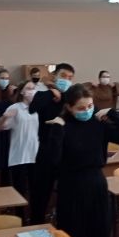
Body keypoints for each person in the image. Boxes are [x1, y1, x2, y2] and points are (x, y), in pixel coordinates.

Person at [48, 84, 119, 237]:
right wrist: (57, 130)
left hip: (97, 185)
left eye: (90, 106)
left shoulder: (98, 122)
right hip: (71, 189)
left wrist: (113, 114)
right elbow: (53, 161)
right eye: (81, 108)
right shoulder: (62, 125)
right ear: (69, 107)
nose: (87, 111)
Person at [28, 62, 75, 224]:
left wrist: (60, 92)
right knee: (40, 193)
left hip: (66, 152)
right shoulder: (43, 95)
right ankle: (35, 224)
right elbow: (32, 108)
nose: (66, 80)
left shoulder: (71, 97)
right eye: (63, 76)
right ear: (55, 76)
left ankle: (63, 227)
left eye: (70, 78)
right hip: (46, 151)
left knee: (66, 194)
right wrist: (51, 92)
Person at [0, 80, 39, 219]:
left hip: (36, 155)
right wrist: (5, 117)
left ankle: (34, 218)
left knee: (35, 190)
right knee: (19, 191)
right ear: (22, 92)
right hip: (19, 156)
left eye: (34, 88)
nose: (32, 90)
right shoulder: (15, 107)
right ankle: (20, 219)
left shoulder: (39, 107)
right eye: (29, 88)